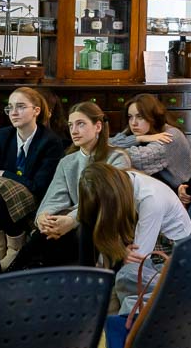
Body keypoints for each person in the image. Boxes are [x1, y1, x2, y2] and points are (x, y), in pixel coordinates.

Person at [13, 102, 131, 269]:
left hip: (106, 223)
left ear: (98, 126)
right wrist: (43, 218)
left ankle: (16, 273)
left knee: (81, 227)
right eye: (70, 125)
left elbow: (107, 202)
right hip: (71, 224)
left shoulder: (117, 158)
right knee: (46, 232)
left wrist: (72, 220)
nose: (74, 131)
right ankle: (18, 274)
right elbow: (54, 197)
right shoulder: (67, 161)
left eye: (80, 124)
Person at [77, 163, 191, 307]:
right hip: (141, 230)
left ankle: (117, 311)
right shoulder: (123, 180)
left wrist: (120, 253)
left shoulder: (151, 201)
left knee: (127, 275)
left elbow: (139, 260)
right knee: (86, 224)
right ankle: (85, 285)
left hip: (170, 249)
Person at [0, 86, 62, 267]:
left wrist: (6, 174)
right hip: (6, 195)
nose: (14, 113)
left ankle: (15, 246)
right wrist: (7, 178)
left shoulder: (50, 141)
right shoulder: (3, 135)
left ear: (36, 111)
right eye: (10, 108)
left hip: (34, 198)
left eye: (20, 107)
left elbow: (38, 186)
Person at [108, 93, 191, 189]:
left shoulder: (170, 135)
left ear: (152, 116)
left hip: (176, 194)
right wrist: (138, 138)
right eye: (130, 117)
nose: (133, 123)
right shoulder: (139, 132)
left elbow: (133, 159)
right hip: (152, 191)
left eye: (140, 116)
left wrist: (104, 151)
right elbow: (106, 144)